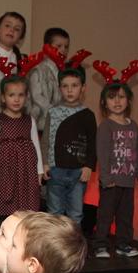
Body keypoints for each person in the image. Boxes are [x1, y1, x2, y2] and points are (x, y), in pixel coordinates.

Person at [0, 75, 43, 228]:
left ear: (26, 97)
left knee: (26, 206)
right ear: (3, 98)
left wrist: (39, 170)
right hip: (5, 171)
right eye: (11, 95)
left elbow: (36, 146)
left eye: (21, 95)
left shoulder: (30, 120)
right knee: (4, 201)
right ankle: (4, 231)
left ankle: (23, 232)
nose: (16, 99)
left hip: (26, 171)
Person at [92, 79, 138, 258]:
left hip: (128, 181)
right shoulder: (106, 126)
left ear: (128, 101)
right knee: (106, 215)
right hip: (111, 181)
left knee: (125, 215)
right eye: (112, 97)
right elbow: (102, 153)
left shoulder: (134, 126)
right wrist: (106, 178)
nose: (117, 101)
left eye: (121, 97)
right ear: (104, 102)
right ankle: (100, 245)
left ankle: (123, 244)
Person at [42, 66, 97, 224]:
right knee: (54, 213)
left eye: (74, 85)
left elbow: (93, 143)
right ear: (60, 88)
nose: (70, 90)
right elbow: (45, 139)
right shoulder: (53, 112)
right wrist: (45, 163)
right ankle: (54, 241)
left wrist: (89, 166)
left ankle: (73, 241)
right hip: (55, 170)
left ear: (83, 88)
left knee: (76, 213)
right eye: (65, 86)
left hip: (78, 172)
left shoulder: (88, 115)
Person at [29, 27, 70, 132]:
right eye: (59, 46)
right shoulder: (38, 70)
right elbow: (37, 97)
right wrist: (55, 112)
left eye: (66, 47)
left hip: (57, 125)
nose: (63, 50)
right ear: (47, 47)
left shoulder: (64, 72)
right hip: (39, 125)